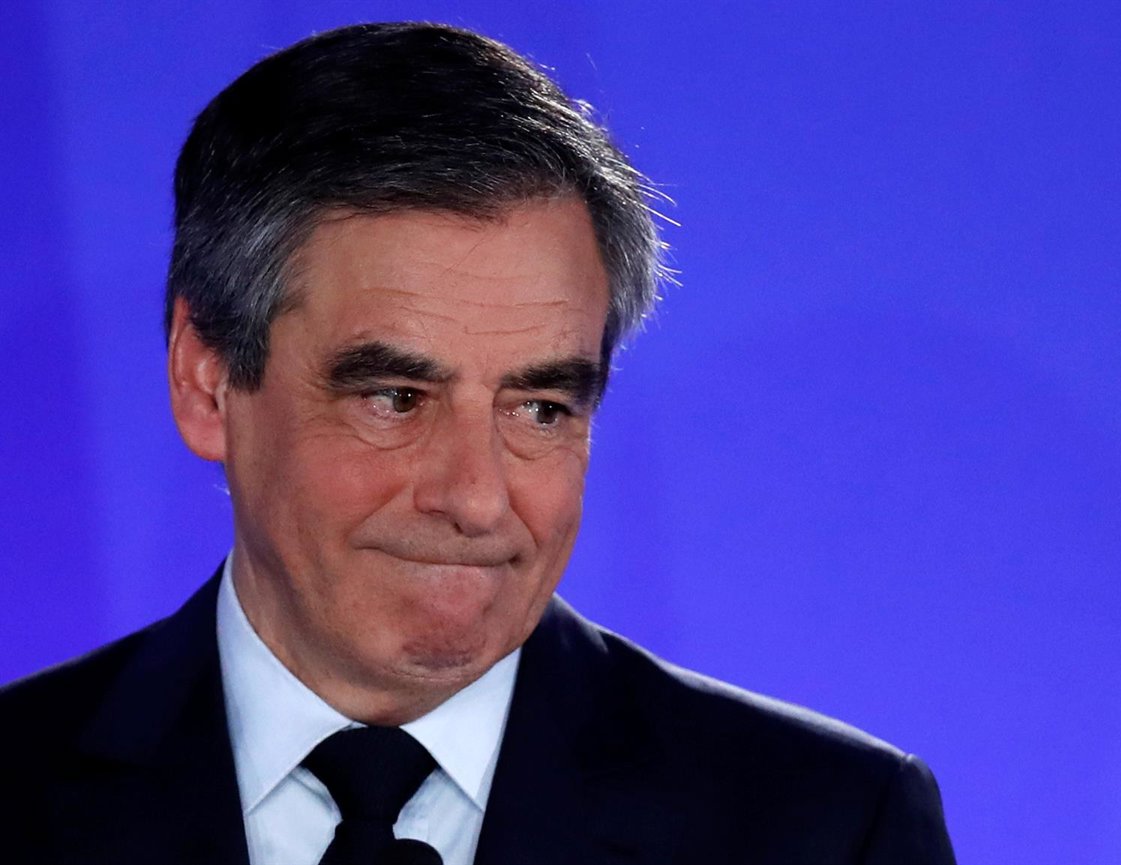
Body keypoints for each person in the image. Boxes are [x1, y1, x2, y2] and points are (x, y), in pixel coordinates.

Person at [0, 22, 956, 865]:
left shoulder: (827, 828)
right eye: (396, 398)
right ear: (206, 380)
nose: (476, 498)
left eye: (539, 408)